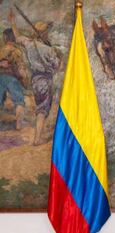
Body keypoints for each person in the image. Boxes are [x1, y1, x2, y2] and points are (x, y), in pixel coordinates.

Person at [8, 9, 61, 145]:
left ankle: (38, 136)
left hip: (35, 80)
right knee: (43, 110)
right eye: (46, 32)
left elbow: (17, 36)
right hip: (46, 80)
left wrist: (13, 22)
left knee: (40, 109)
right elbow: (57, 67)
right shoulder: (49, 50)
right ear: (43, 33)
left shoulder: (28, 43)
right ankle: (37, 139)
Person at [0, 28, 30, 130]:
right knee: (19, 101)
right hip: (13, 78)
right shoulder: (17, 51)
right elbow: (21, 68)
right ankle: (18, 125)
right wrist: (24, 80)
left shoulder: (1, 50)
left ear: (5, 37)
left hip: (0, 78)